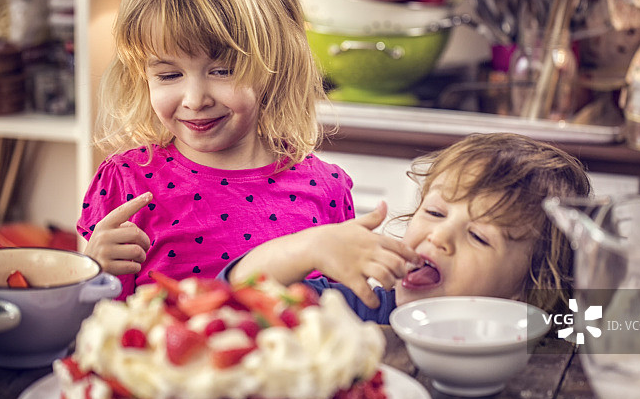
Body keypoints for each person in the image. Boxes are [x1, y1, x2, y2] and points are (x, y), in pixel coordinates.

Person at [78, 0, 354, 300]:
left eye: (222, 70)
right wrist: (94, 274)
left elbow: (341, 318)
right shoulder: (125, 183)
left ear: (275, 61)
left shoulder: (327, 190)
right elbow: (91, 327)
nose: (194, 99)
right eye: (169, 75)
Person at [221, 133, 592, 323]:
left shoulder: (545, 343)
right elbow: (235, 293)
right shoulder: (359, 307)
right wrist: (308, 247)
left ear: (525, 292)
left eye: (479, 236)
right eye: (433, 212)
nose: (440, 236)